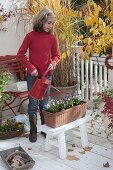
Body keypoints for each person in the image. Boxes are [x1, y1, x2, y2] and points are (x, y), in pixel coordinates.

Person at [17, 7, 60, 142]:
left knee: (44, 105)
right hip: (33, 77)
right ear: (41, 21)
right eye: (48, 23)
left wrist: (53, 62)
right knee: (32, 104)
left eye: (52, 23)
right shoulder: (30, 36)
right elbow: (20, 55)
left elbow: (57, 55)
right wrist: (30, 68)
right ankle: (34, 131)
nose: (50, 26)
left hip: (47, 76)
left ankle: (44, 129)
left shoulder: (52, 38)